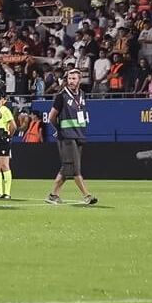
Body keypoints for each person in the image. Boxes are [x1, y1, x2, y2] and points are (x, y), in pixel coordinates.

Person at [46, 67, 98, 205]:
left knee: (67, 167)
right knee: (75, 168)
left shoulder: (82, 94)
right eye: (69, 78)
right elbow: (51, 117)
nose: (71, 81)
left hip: (79, 134)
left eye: (74, 79)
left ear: (79, 80)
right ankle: (87, 195)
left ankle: (53, 195)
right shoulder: (61, 96)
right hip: (67, 136)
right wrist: (59, 129)